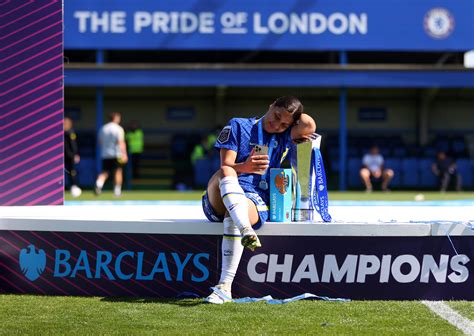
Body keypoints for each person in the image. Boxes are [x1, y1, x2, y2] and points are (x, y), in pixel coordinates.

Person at [201, 96, 316, 304]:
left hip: (254, 198)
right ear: (271, 105)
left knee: (233, 214)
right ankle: (246, 229)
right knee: (226, 170)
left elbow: (308, 124)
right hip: (222, 191)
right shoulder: (239, 125)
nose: (277, 124)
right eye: (276, 116)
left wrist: (292, 117)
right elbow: (225, 164)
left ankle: (224, 287)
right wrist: (244, 167)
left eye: (284, 124)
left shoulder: (283, 136)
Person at [94, 112, 128, 197]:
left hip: (105, 154)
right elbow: (121, 142)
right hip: (117, 154)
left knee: (105, 172)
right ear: (116, 118)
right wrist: (124, 154)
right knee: (118, 171)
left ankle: (98, 184)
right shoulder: (118, 129)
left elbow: (100, 142)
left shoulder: (103, 128)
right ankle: (117, 192)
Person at [64, 117, 82, 197]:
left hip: (68, 155)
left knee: (71, 171)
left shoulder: (70, 132)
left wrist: (75, 154)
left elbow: (73, 145)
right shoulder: (66, 132)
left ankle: (74, 186)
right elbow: (73, 145)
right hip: (66, 155)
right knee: (70, 171)